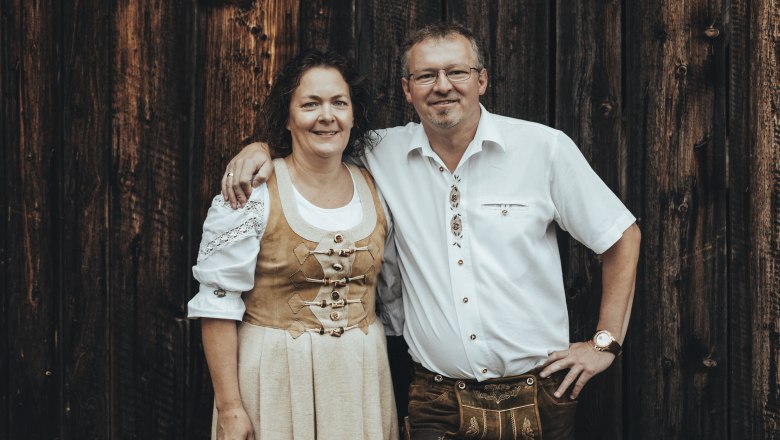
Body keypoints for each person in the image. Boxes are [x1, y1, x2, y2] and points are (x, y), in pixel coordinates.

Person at [221, 23, 641, 440]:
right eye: (426, 76)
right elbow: (318, 138)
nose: (443, 86)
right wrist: (261, 149)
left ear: (482, 80)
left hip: (540, 396)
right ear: (408, 89)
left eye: (456, 72)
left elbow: (621, 237)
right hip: (436, 401)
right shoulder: (380, 153)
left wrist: (604, 343)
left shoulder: (543, 149)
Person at [188, 49, 400, 440]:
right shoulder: (251, 194)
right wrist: (230, 407)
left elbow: (394, 291)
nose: (327, 116)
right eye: (310, 104)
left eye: (339, 103)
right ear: (287, 117)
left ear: (354, 114)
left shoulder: (378, 185)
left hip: (361, 373)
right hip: (274, 374)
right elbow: (216, 304)